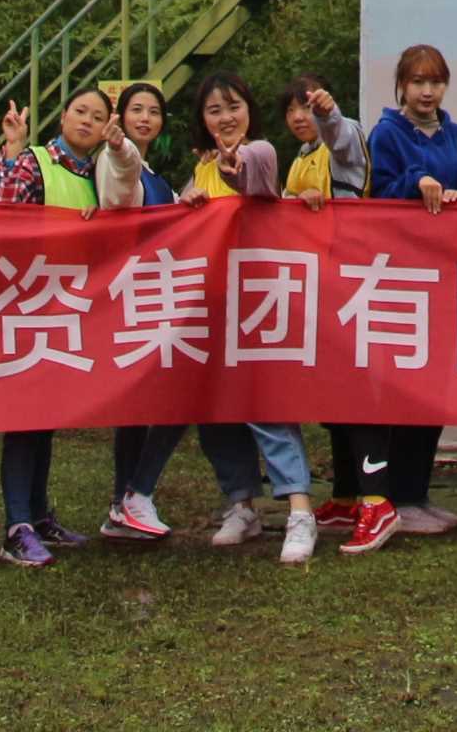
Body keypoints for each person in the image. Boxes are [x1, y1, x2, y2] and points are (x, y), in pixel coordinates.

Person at [0, 84, 141, 567]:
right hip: (27, 303)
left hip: (69, 308)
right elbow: (2, 215)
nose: (86, 121)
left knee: (45, 416)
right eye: (80, 111)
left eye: (97, 116)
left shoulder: (97, 172)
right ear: (63, 116)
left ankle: (37, 514)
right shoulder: (32, 162)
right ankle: (16, 526)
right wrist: (12, 149)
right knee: (24, 418)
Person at [182, 72, 321, 565]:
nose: (226, 117)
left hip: (258, 301)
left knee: (267, 404)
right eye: (214, 110)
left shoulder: (261, 150)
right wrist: (187, 201)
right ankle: (241, 504)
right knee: (216, 411)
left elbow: (251, 177)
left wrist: (230, 168)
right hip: (210, 303)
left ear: (249, 111)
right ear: (202, 119)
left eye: (234, 106)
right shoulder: (199, 167)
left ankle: (299, 509)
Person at [353, 43, 457, 548]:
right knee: (402, 388)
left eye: (436, 81)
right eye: (418, 81)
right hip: (401, 276)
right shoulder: (386, 133)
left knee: (436, 388)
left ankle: (417, 493)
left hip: (445, 275)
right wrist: (416, 181)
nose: (427, 91)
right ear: (401, 86)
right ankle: (397, 497)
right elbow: (377, 192)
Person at [280, 73, 376, 537]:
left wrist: (329, 113)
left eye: (307, 106)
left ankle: (376, 499)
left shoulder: (344, 137)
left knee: (356, 395)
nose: (300, 117)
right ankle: (344, 496)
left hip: (351, 280)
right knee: (332, 398)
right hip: (316, 285)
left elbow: (341, 137)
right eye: (291, 110)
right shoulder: (299, 157)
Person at [103, 78, 185, 541]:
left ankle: (124, 503)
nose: (146, 118)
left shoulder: (156, 176)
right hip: (129, 295)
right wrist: (118, 149)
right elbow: (119, 189)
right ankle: (134, 495)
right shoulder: (117, 159)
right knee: (172, 399)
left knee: (141, 407)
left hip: (150, 296)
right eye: (137, 109)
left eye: (154, 111)